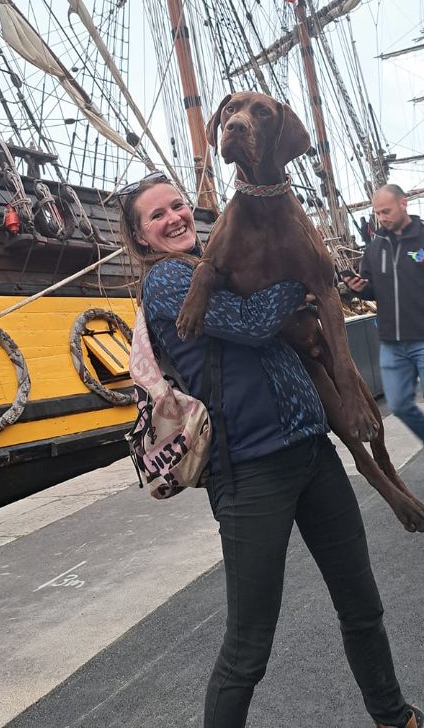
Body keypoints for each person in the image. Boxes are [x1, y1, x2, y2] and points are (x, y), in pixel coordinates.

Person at [119, 170, 423, 728]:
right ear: (141, 238)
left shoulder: (225, 269)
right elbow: (256, 324)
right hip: (250, 473)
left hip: (312, 455)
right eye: (156, 216)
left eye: (178, 206)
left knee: (362, 605)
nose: (174, 219)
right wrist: (307, 274)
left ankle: (393, 715)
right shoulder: (166, 283)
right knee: (248, 647)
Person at [344, 184, 424, 444]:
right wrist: (358, 288)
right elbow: (371, 289)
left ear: (404, 203)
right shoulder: (374, 248)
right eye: (377, 213)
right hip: (392, 343)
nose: (381, 218)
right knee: (399, 405)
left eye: (386, 211)